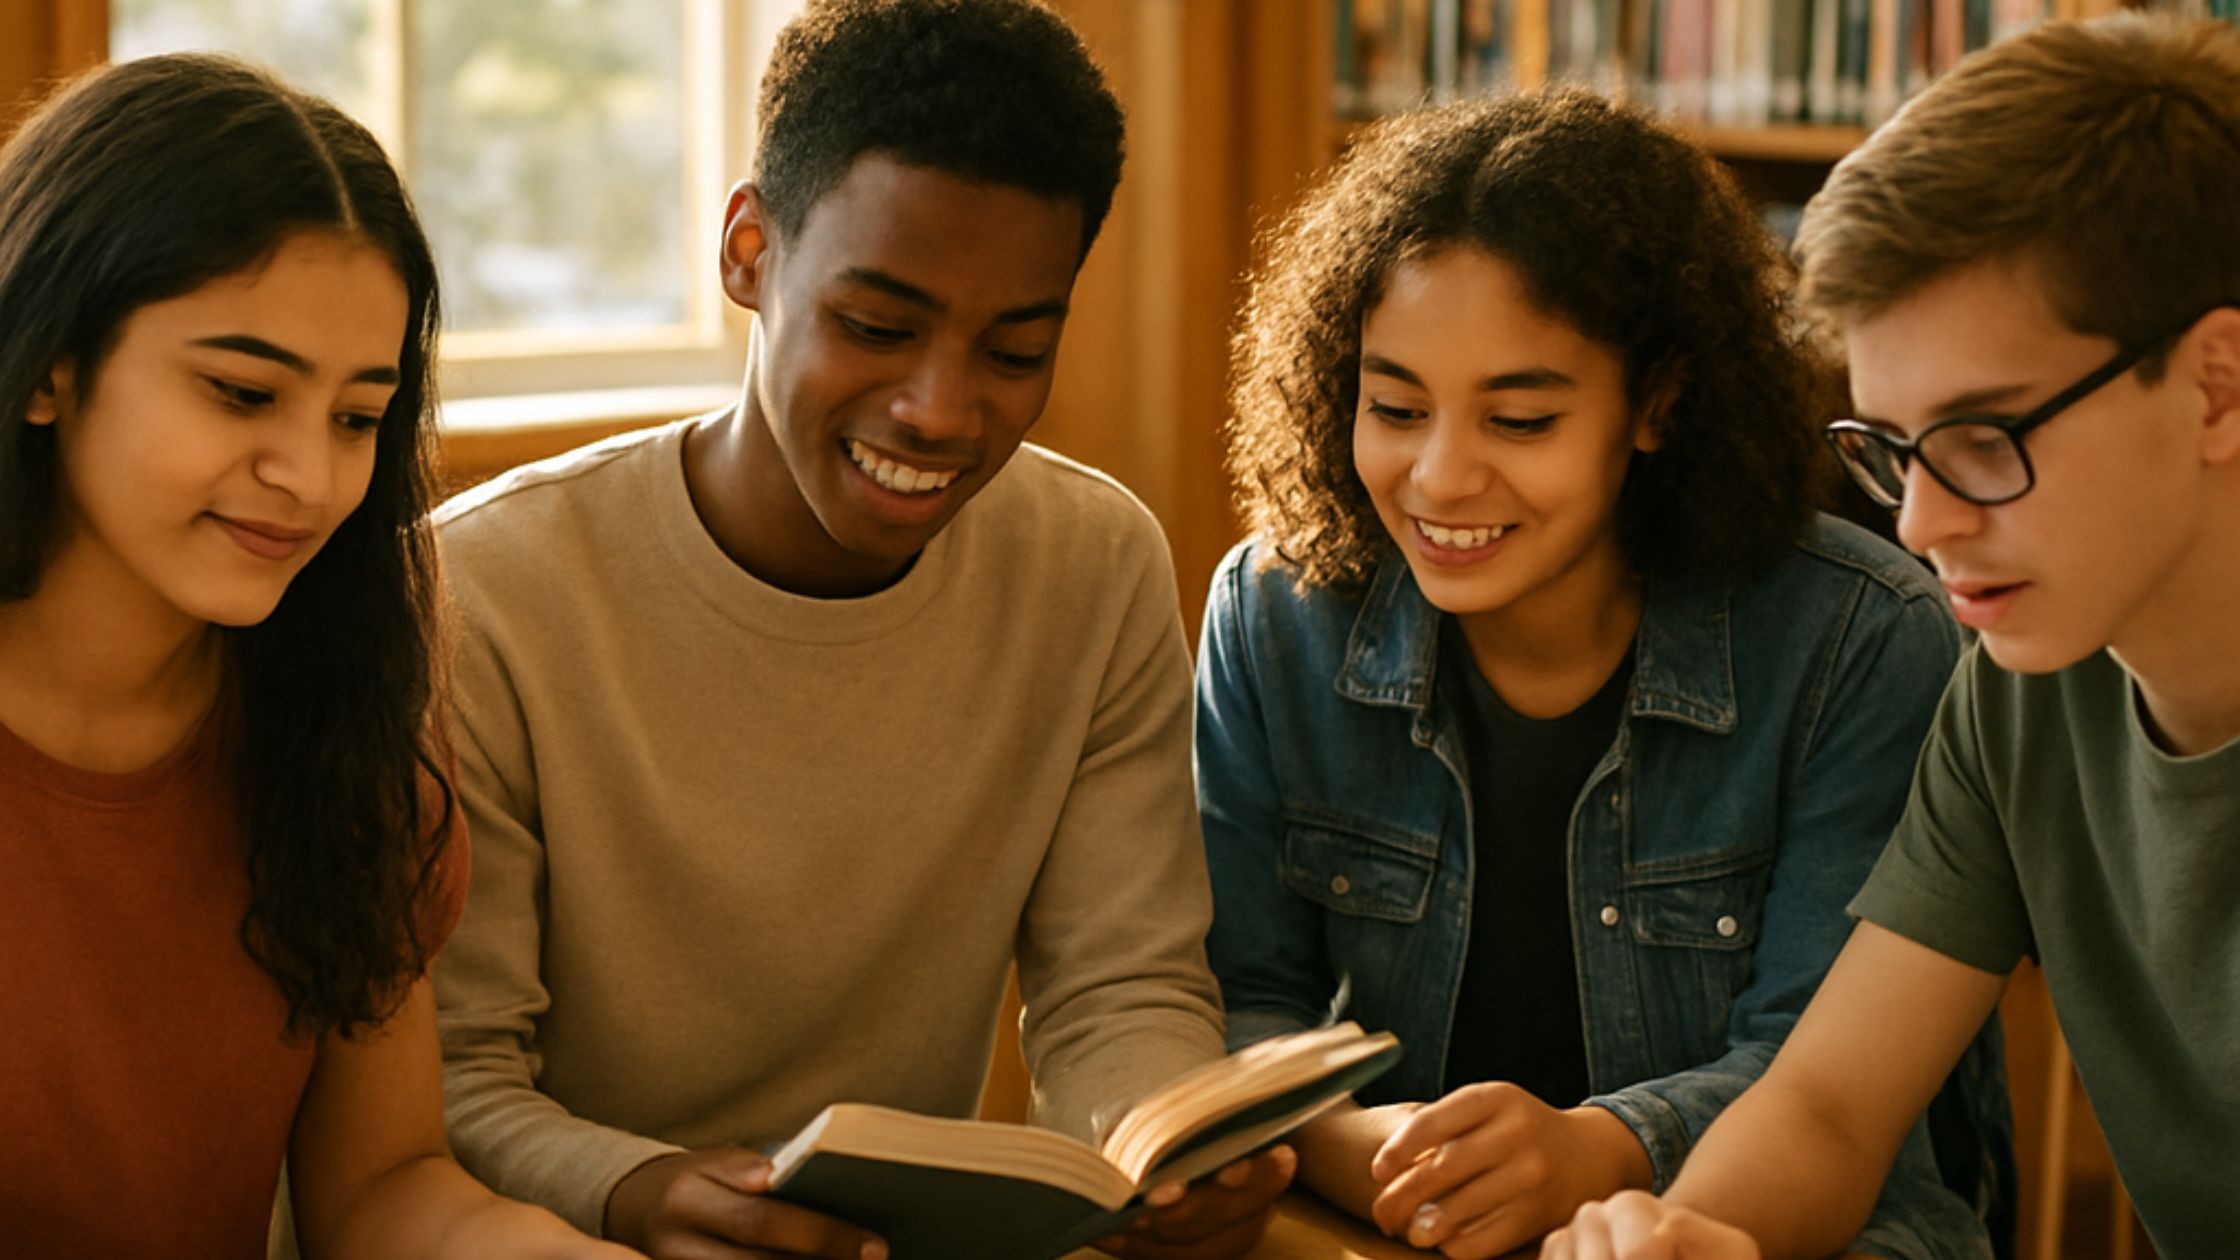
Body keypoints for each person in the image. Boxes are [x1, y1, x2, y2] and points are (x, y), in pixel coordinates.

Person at [430, 2, 1291, 1258]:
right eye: (876, 328)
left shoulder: (1093, 564)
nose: (940, 411)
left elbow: (1121, 987)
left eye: (1014, 350)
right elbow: (442, 1086)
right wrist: (637, 1191)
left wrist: (1158, 1145)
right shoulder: (482, 593)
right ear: (747, 254)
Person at [1197, 89, 2013, 1260]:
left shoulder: (1858, 638)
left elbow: (1824, 1086)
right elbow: (1231, 997)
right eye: (1393, 407)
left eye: (1518, 420)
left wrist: (1598, 1154)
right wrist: (1364, 1149)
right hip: (1400, 1223)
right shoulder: (1276, 615)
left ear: (1657, 402)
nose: (1437, 478)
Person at [1541, 14, 2240, 1260]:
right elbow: (1823, 1106)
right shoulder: (2023, 693)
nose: (1919, 524)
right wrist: (1688, 1235)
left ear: (2215, 383)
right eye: (1891, 449)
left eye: (1984, 439)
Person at [0, 53, 630, 1260]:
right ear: (48, 366)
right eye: (242, 394)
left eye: (356, 418)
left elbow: (385, 1187)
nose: (310, 478)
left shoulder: (339, 721)